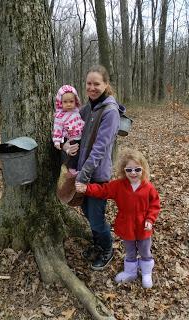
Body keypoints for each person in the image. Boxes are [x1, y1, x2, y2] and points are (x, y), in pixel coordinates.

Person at [63, 65, 124, 271]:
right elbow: (71, 130)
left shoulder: (110, 111)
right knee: (87, 214)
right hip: (81, 172)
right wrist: (65, 144)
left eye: (96, 84)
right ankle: (98, 244)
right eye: (89, 83)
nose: (92, 87)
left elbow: (100, 148)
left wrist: (83, 176)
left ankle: (107, 249)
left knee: (96, 217)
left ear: (105, 84)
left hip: (96, 175)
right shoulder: (86, 108)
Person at [75, 148, 160, 288]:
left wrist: (150, 220)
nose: (133, 173)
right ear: (123, 170)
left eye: (137, 169)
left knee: (145, 249)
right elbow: (103, 191)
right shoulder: (118, 185)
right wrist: (86, 188)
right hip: (126, 225)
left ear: (143, 169)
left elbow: (155, 205)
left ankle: (146, 272)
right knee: (130, 250)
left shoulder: (148, 187)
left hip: (143, 226)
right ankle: (130, 272)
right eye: (129, 170)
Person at [52, 85, 85, 175]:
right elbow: (57, 130)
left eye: (71, 101)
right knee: (73, 153)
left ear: (76, 101)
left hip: (80, 136)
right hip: (70, 138)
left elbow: (81, 122)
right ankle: (72, 168)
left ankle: (80, 167)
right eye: (65, 102)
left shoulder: (77, 111)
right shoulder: (60, 116)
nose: (69, 104)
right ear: (60, 103)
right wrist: (57, 141)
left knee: (81, 152)